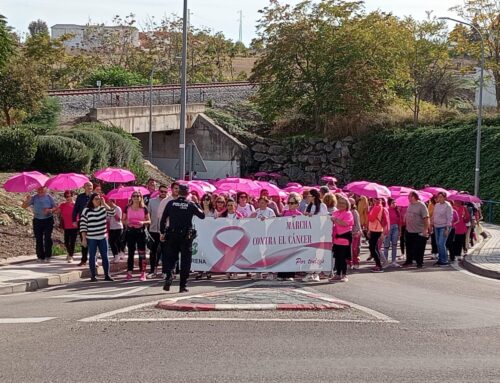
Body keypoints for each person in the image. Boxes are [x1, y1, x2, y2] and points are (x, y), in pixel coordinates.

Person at [160, 184, 205, 293]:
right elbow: (202, 216)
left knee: (171, 258)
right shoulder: (190, 204)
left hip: (172, 235)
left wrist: (162, 232)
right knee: (185, 261)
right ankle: (182, 286)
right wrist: (197, 203)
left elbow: (163, 219)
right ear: (188, 193)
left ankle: (169, 277)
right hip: (186, 237)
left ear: (178, 192)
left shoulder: (171, 203)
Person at [79, 193, 115, 282]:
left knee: (105, 256)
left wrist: (104, 203)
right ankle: (93, 276)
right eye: (96, 199)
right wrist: (84, 238)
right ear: (91, 200)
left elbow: (112, 213)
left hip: (102, 236)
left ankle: (107, 275)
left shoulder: (103, 209)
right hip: (91, 237)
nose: (98, 200)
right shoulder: (86, 210)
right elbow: (83, 225)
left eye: (99, 199)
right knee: (92, 256)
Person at [22, 186, 57, 263]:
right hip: (37, 220)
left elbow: (55, 207)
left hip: (48, 219)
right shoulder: (34, 197)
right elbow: (23, 206)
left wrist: (49, 210)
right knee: (38, 238)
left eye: (42, 188)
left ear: (45, 189)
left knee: (48, 238)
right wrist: (26, 200)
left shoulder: (49, 197)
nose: (40, 190)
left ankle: (48, 256)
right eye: (38, 189)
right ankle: (40, 256)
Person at [123, 192, 151, 281]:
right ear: (131, 198)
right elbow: (123, 220)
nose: (136, 197)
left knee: (142, 253)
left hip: (140, 232)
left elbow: (149, 221)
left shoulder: (144, 208)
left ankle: (143, 273)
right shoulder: (127, 208)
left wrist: (142, 222)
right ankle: (129, 272)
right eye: (134, 196)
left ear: (141, 198)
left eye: (138, 196)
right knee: (130, 253)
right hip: (131, 231)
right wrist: (127, 222)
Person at [277, 194, 303, 281]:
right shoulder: (284, 213)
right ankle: (281, 274)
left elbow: (303, 227)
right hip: (284, 237)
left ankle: (290, 274)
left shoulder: (299, 215)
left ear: (297, 204)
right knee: (282, 255)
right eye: (289, 203)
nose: (290, 205)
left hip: (294, 238)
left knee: (292, 256)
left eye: (292, 203)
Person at [330, 195, 354, 282]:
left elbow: (345, 224)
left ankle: (344, 275)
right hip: (336, 237)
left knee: (343, 257)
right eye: (340, 203)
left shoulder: (348, 213)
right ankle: (337, 274)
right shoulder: (336, 212)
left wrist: (335, 220)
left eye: (343, 203)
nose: (341, 205)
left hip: (345, 237)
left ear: (347, 204)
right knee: (337, 256)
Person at [404, 191, 430, 269]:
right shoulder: (410, 204)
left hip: (418, 230)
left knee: (419, 248)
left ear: (414, 197)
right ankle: (409, 261)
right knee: (408, 247)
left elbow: (426, 218)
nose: (408, 198)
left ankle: (419, 263)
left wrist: (425, 229)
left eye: (409, 196)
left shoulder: (421, 205)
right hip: (409, 230)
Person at [147, 184, 169, 277]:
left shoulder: (169, 202)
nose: (163, 193)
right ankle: (152, 270)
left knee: (165, 251)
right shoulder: (152, 201)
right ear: (158, 191)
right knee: (153, 251)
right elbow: (148, 214)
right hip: (153, 230)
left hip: (165, 230)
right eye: (161, 191)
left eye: (165, 192)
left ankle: (164, 271)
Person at [72, 182, 93, 266]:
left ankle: (93, 260)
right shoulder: (80, 197)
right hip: (83, 221)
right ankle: (84, 260)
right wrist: (74, 220)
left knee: (93, 241)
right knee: (83, 240)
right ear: (84, 187)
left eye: (91, 185)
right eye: (87, 185)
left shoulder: (95, 196)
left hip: (93, 221)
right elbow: (76, 208)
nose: (89, 187)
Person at [431, 192, 453, 266]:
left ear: (444, 197)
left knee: (441, 243)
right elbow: (434, 215)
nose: (439, 198)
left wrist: (447, 228)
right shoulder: (437, 205)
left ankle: (444, 260)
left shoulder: (448, 205)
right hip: (436, 226)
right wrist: (431, 223)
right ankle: (440, 259)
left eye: (441, 197)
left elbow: (449, 218)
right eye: (438, 197)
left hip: (444, 227)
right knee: (438, 244)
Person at [57, 191, 78, 263]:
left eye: (69, 196)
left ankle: (71, 256)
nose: (68, 198)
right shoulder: (62, 205)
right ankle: (69, 253)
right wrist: (49, 210)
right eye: (66, 196)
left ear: (72, 196)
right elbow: (57, 211)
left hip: (74, 226)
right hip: (66, 226)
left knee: (72, 242)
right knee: (66, 242)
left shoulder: (76, 205)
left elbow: (80, 214)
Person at [367, 198, 386, 272]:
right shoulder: (379, 206)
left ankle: (379, 265)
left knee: (372, 248)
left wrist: (368, 212)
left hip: (375, 229)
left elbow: (371, 219)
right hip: (376, 228)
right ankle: (378, 264)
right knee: (374, 247)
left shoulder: (377, 207)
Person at [383, 198, 401, 268]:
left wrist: (400, 231)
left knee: (394, 245)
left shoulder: (397, 211)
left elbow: (400, 221)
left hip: (395, 228)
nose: (394, 204)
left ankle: (394, 261)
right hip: (388, 228)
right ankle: (385, 261)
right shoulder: (386, 210)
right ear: (389, 203)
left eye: (395, 202)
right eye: (393, 203)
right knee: (386, 246)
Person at [107, 198, 123, 264]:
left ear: (113, 202)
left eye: (109, 202)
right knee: (111, 242)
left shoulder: (118, 208)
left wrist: (112, 212)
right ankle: (116, 256)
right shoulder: (108, 209)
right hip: (111, 228)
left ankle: (118, 256)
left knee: (114, 242)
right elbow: (107, 219)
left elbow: (118, 219)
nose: (108, 203)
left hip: (118, 227)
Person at [349, 197, 362, 270]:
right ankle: (349, 263)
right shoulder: (346, 211)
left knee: (354, 249)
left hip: (355, 233)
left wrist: (357, 232)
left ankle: (356, 262)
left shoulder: (354, 212)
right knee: (348, 249)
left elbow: (357, 223)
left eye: (350, 202)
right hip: (348, 233)